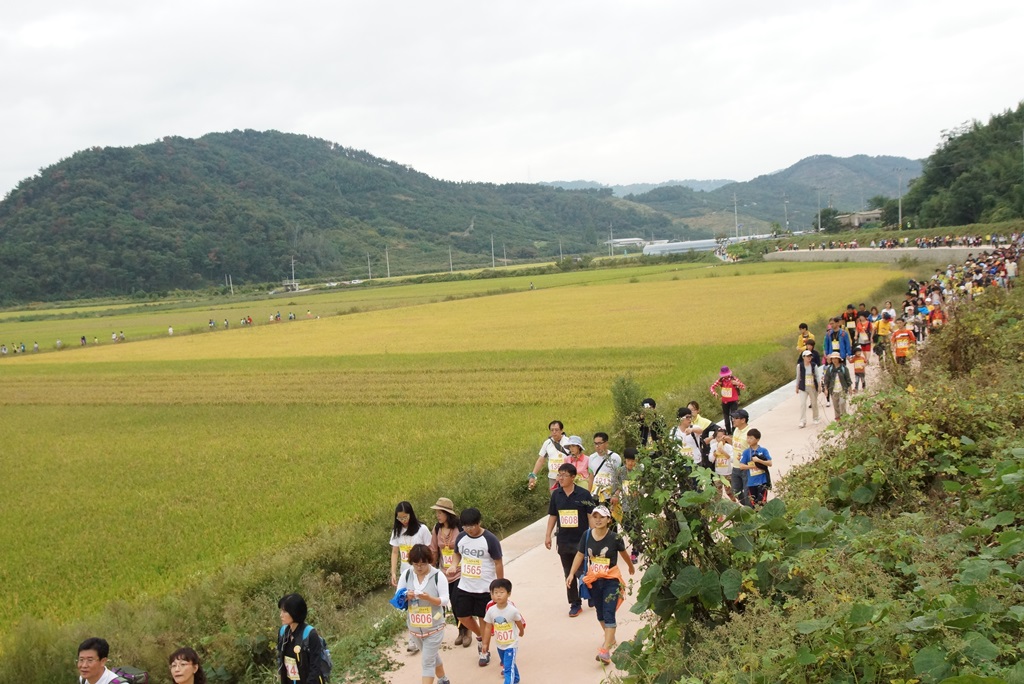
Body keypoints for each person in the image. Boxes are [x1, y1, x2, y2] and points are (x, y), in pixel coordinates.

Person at [565, 505, 636, 665]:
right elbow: (580, 554)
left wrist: (630, 565)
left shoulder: (614, 538)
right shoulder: (587, 535)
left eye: (602, 517)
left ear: (609, 520)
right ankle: (610, 638)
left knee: (609, 613)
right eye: (595, 516)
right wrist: (571, 573)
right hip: (594, 580)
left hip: (611, 579)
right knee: (600, 614)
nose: (598, 520)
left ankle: (605, 651)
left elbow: (624, 553)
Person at [452, 507, 504, 664]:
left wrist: (499, 585)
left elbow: (498, 562)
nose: (469, 530)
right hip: (465, 585)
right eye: (465, 526)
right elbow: (456, 553)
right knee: (461, 615)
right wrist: (454, 565)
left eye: (472, 526)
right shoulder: (461, 537)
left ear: (479, 523)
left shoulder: (490, 539)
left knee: (483, 619)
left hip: (484, 587)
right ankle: (481, 636)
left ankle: (484, 651)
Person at [545, 462, 596, 618]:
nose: (560, 478)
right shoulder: (556, 495)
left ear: (573, 477)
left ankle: (591, 593)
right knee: (569, 572)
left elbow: (590, 516)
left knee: (583, 570)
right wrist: (548, 535)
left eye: (564, 475)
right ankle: (575, 603)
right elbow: (553, 516)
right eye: (559, 475)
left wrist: (594, 536)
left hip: (581, 540)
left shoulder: (584, 495)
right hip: (564, 540)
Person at [396, 544, 452, 684]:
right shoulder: (407, 574)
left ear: (429, 561)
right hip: (415, 629)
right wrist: (405, 595)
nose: (419, 567)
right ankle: (444, 680)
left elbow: (445, 600)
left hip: (434, 628)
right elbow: (397, 595)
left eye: (423, 564)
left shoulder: (438, 576)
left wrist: (429, 598)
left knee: (427, 662)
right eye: (416, 564)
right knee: (431, 656)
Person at [390, 501, 432, 654]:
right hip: (406, 574)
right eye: (400, 518)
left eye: (405, 517)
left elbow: (430, 550)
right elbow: (395, 552)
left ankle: (429, 631)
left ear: (411, 514)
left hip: (422, 572)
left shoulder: (422, 530)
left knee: (423, 602)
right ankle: (413, 637)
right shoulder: (397, 531)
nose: (403, 521)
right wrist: (393, 572)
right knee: (409, 603)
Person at [429, 497, 468, 647]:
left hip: (460, 571)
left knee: (459, 601)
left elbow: (465, 547)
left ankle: (467, 630)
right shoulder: (437, 529)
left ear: (447, 513)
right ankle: (460, 631)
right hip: (444, 572)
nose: (437, 516)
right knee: (451, 601)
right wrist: (431, 571)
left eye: (440, 512)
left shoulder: (459, 528)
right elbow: (433, 550)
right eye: (437, 513)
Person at [276, 593, 329, 684]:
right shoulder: (283, 632)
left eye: (284, 611)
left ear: (294, 612)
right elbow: (281, 660)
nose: (281, 615)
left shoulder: (310, 634)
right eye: (281, 611)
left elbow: (315, 667)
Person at [481, 579, 525, 684]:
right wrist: (485, 643)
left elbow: (519, 622)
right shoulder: (491, 611)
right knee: (508, 664)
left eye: (501, 592)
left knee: (508, 669)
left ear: (508, 593)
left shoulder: (512, 610)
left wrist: (521, 632)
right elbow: (487, 627)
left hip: (511, 644)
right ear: (491, 594)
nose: (498, 595)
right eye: (495, 593)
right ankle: (516, 678)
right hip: (500, 644)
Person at [610, 448, 644, 561]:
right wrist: (615, 495)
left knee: (637, 526)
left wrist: (639, 491)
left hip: (638, 504)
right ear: (625, 460)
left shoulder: (641, 470)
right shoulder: (620, 471)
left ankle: (635, 551)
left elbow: (647, 485)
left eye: (633, 461)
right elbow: (616, 486)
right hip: (624, 504)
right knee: (627, 525)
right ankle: (638, 543)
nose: (631, 463)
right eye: (628, 460)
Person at [529, 420, 570, 491]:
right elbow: (540, 460)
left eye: (556, 430)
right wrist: (533, 475)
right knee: (555, 499)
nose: (554, 432)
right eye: (552, 430)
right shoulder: (547, 443)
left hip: (566, 477)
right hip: (553, 478)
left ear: (561, 430)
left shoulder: (569, 442)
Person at [709, 366, 746, 433]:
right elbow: (712, 387)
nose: (725, 376)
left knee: (733, 417)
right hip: (725, 401)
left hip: (733, 401)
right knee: (726, 418)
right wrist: (714, 393)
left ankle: (734, 431)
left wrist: (737, 383)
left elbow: (743, 387)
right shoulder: (720, 380)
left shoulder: (733, 379)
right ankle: (729, 432)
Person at [587, 432, 622, 503]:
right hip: (595, 495)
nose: (597, 446)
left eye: (600, 443)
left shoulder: (616, 458)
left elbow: (620, 477)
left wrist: (616, 494)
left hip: (610, 496)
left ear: (606, 443)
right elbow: (591, 477)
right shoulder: (591, 457)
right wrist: (588, 495)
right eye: (595, 443)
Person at [741, 429, 772, 507]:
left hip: (762, 481)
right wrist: (752, 466)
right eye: (747, 438)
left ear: (757, 439)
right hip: (751, 482)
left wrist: (759, 461)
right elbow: (741, 466)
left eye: (751, 438)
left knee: (762, 502)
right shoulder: (746, 452)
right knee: (754, 504)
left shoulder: (763, 450)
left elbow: (770, 463)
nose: (748, 440)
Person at [729, 409, 752, 507]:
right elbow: (736, 445)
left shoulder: (750, 432)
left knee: (748, 494)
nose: (733, 420)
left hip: (745, 468)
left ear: (743, 420)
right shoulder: (736, 430)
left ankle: (751, 511)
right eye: (733, 418)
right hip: (735, 467)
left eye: (736, 418)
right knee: (736, 491)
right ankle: (750, 507)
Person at [796, 350, 821, 428]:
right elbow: (798, 376)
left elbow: (817, 376)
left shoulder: (814, 365)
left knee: (814, 403)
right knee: (803, 404)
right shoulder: (799, 366)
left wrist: (819, 386)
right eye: (807, 356)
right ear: (803, 357)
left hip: (812, 387)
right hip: (803, 387)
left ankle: (815, 418)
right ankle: (802, 421)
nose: (809, 358)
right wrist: (797, 386)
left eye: (810, 356)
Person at [823, 352, 852, 419]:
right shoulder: (829, 369)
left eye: (836, 358)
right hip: (833, 390)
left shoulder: (844, 368)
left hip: (842, 389)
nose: (834, 360)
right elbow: (826, 379)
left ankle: (844, 418)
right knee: (836, 406)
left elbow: (848, 379)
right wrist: (826, 389)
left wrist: (850, 388)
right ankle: (838, 419)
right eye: (833, 358)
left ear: (839, 359)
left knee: (842, 403)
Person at [711, 426, 736, 503]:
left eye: (722, 437)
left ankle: (736, 506)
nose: (720, 439)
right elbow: (711, 459)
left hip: (728, 473)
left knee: (730, 493)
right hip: (718, 474)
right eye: (718, 437)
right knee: (717, 495)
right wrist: (715, 454)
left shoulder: (729, 447)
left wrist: (724, 452)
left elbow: (732, 459)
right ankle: (719, 513)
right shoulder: (713, 446)